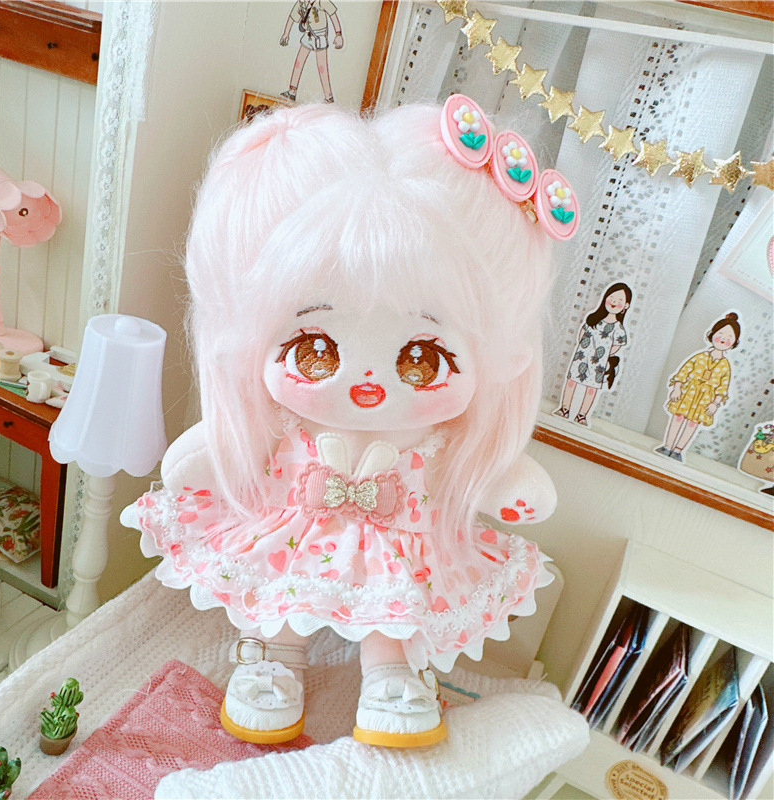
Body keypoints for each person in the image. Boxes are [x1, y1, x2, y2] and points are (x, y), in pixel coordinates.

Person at [122, 101, 566, 749]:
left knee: (397, 601)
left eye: (422, 359)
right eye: (315, 350)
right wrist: (208, 457)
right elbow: (217, 456)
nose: (367, 385)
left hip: (400, 542)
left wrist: (505, 482)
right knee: (282, 589)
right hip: (295, 529)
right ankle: (276, 657)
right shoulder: (286, 422)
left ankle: (391, 672)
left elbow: (487, 476)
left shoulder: (433, 437)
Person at [657, 312, 740, 462]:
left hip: (705, 399)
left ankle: (678, 451)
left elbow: (723, 387)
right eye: (721, 334)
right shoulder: (700, 357)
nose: (724, 339)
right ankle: (667, 446)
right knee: (678, 417)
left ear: (734, 342)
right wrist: (677, 388)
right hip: (689, 392)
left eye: (729, 337)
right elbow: (683, 372)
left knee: (692, 423)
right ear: (713, 334)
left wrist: (715, 403)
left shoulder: (725, 365)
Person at [556, 283, 632, 426]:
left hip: (599, 362)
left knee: (591, 388)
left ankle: (582, 415)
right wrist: (583, 347)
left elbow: (617, 345)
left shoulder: (618, 328)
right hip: (581, 356)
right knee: (572, 381)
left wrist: (604, 354)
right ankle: (565, 408)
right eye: (612, 297)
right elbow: (582, 332)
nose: (614, 302)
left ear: (626, 305)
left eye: (619, 300)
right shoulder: (593, 318)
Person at [280, 1, 343, 104]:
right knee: (299, 62)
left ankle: (328, 96)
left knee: (322, 66)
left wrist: (338, 34)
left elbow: (333, 15)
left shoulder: (322, 2)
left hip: (320, 36)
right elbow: (292, 17)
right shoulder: (302, 2)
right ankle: (292, 91)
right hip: (308, 35)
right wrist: (286, 33)